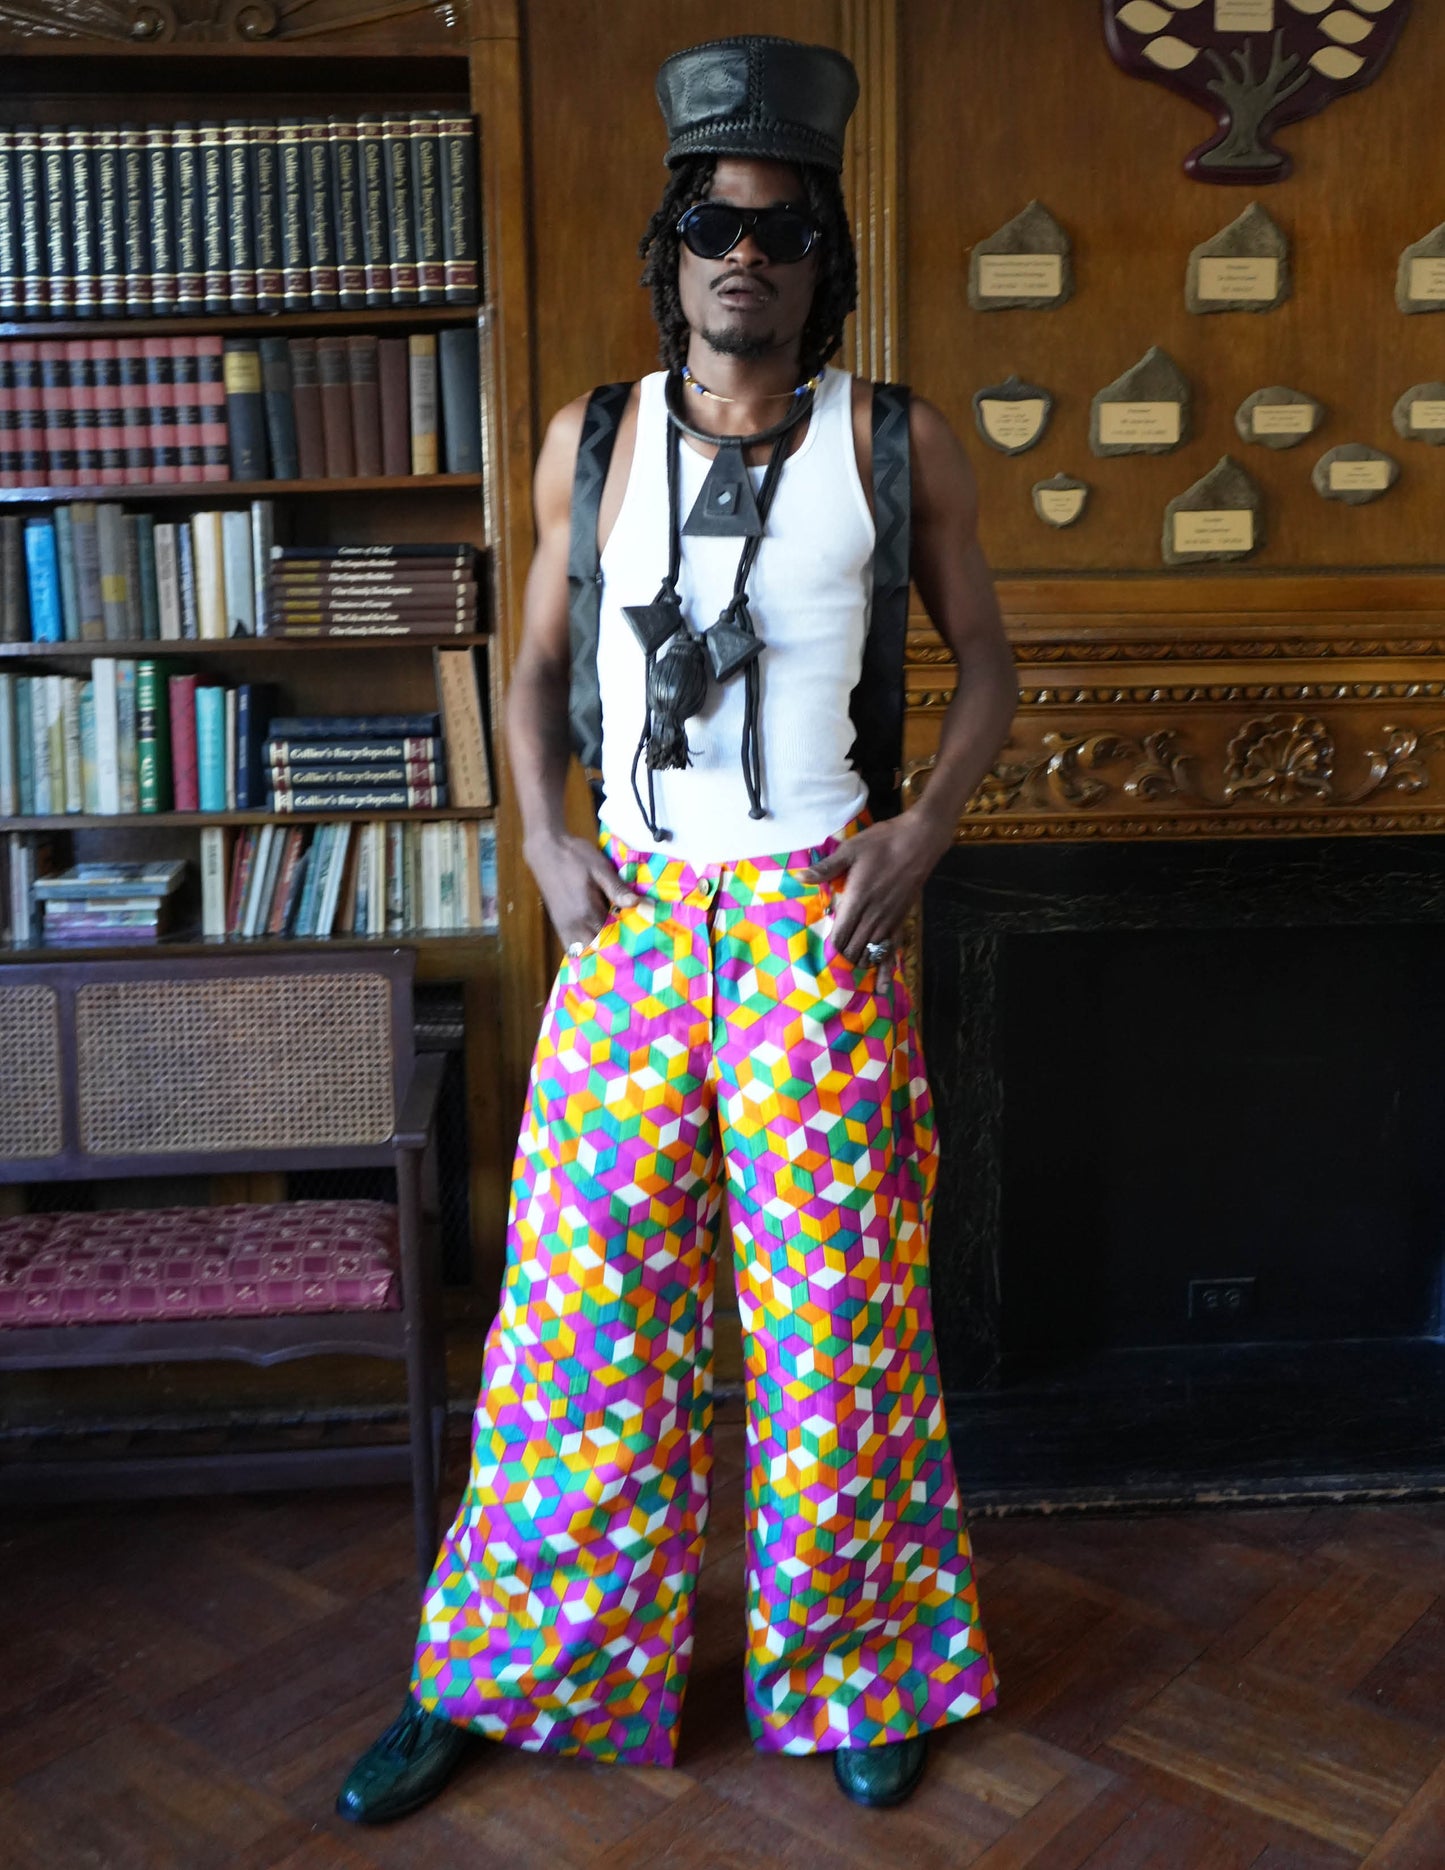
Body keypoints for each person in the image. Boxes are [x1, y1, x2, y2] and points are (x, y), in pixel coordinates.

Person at [337, 32, 1018, 1824]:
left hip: (813, 925)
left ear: (821, 259)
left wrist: (928, 827)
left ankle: (861, 1668)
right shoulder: (592, 441)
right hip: (632, 924)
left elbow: (988, 666)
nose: (746, 253)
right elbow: (531, 667)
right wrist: (541, 839)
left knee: (837, 1322)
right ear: (673, 246)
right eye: (717, 223)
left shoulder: (895, 441)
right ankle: (505, 1670)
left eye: (782, 230)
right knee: (577, 1323)